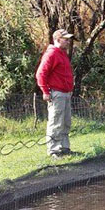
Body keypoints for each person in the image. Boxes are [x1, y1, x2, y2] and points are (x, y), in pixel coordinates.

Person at [36, 29, 75, 157]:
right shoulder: (51, 54)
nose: (68, 42)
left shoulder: (62, 53)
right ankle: (53, 150)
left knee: (65, 122)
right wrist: (45, 91)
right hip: (57, 93)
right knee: (56, 122)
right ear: (58, 39)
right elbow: (41, 73)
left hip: (66, 93)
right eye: (66, 39)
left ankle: (64, 148)